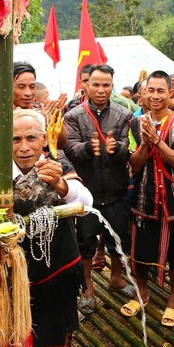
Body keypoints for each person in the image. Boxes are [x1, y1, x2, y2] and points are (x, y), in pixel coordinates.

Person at [0, 109, 93, 347]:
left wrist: (60, 184)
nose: (24, 147)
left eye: (31, 138)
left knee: (54, 330)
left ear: (44, 139)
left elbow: (86, 205)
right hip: (12, 273)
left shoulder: (57, 164)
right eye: (15, 139)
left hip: (57, 268)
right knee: (15, 332)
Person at [122, 70, 174, 327]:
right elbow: (135, 164)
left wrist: (159, 142)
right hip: (144, 198)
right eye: (150, 90)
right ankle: (142, 292)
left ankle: (173, 299)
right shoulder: (133, 124)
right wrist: (145, 142)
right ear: (141, 95)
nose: (155, 96)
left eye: (160, 90)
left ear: (171, 93)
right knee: (139, 251)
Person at [63, 64, 135, 314]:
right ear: (86, 85)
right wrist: (86, 149)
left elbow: (129, 148)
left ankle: (116, 278)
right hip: (87, 192)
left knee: (118, 239)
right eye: (95, 84)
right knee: (85, 244)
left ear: (112, 86)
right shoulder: (73, 116)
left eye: (106, 84)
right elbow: (69, 148)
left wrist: (117, 149)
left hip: (116, 188)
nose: (101, 89)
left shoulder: (123, 114)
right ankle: (88, 288)